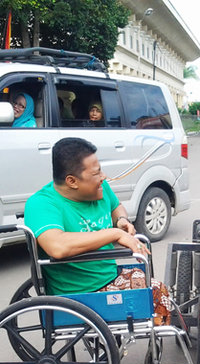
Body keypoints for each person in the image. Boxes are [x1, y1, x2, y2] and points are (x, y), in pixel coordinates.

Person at [24, 137, 171, 325]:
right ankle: (161, 337)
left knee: (160, 291)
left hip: (110, 276)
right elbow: (57, 246)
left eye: (100, 170)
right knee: (156, 293)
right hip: (79, 292)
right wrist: (114, 234)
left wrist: (121, 220)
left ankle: (157, 343)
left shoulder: (99, 189)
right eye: (96, 173)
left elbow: (116, 207)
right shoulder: (42, 204)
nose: (104, 177)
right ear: (72, 181)